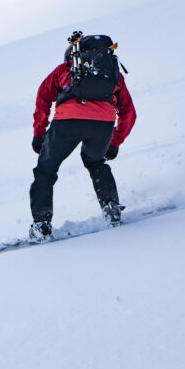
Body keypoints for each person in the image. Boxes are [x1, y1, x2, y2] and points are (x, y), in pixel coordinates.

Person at [28, 32, 136, 242]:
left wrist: (39, 134)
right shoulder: (113, 74)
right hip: (103, 125)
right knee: (96, 163)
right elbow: (129, 113)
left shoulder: (64, 69)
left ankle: (41, 225)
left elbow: (42, 99)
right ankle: (111, 208)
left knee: (45, 171)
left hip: (67, 123)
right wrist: (115, 141)